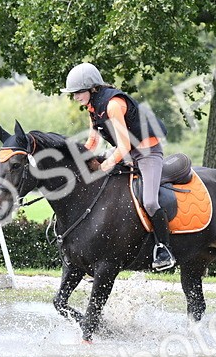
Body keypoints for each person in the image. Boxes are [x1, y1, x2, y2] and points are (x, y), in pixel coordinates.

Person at [63, 63, 176, 271]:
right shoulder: (92, 107)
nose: (75, 97)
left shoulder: (113, 104)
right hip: (125, 153)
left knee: (150, 201)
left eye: (78, 92)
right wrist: (76, 158)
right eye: (73, 93)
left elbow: (124, 146)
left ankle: (164, 249)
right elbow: (92, 142)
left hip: (147, 153)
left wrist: (105, 165)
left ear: (92, 88)